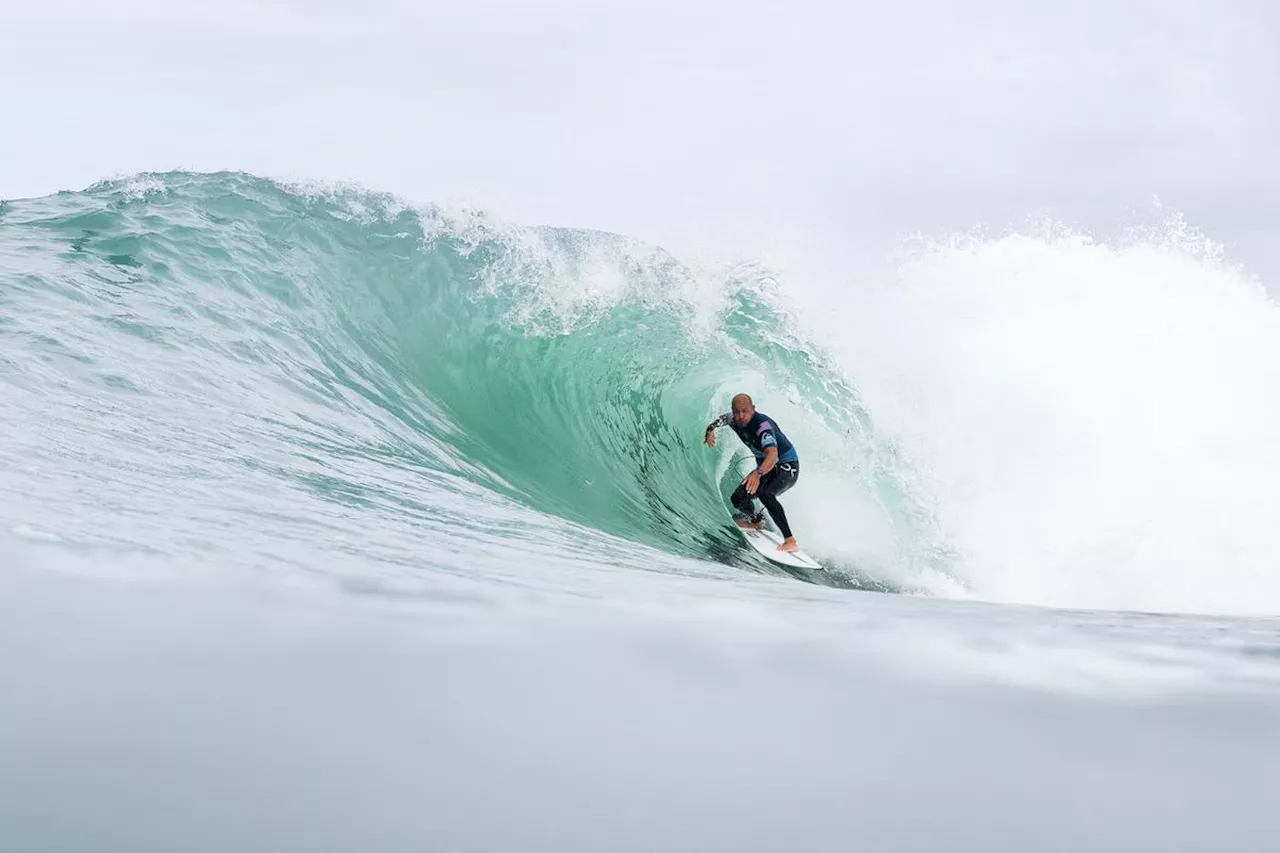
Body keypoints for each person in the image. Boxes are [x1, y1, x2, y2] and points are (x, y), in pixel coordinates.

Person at [703, 393, 801, 552]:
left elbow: (773, 454)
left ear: (753, 409)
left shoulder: (763, 427)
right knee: (738, 498)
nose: (741, 416)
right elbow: (721, 419)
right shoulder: (733, 420)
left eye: (745, 411)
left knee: (765, 493)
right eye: (736, 412)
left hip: (787, 467)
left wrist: (757, 473)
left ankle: (790, 541)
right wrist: (710, 430)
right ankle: (756, 520)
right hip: (768, 467)